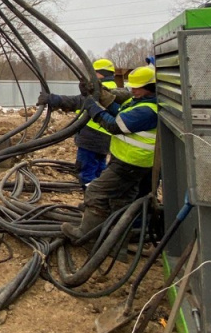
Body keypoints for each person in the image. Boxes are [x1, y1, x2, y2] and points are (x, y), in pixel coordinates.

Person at [59, 65, 158, 241]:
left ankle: (85, 235)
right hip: (131, 161)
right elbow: (119, 112)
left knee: (96, 191)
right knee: (122, 200)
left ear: (150, 88)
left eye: (138, 87)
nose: (133, 90)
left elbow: (114, 125)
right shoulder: (141, 102)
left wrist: (94, 109)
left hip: (130, 163)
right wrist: (96, 94)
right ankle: (119, 242)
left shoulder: (147, 110)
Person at [37, 58, 128, 186]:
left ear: (99, 74)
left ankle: (91, 200)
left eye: (93, 73)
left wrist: (51, 99)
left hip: (91, 140)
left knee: (86, 173)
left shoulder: (99, 91)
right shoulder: (116, 90)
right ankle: (99, 197)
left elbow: (76, 101)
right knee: (99, 170)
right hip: (105, 141)